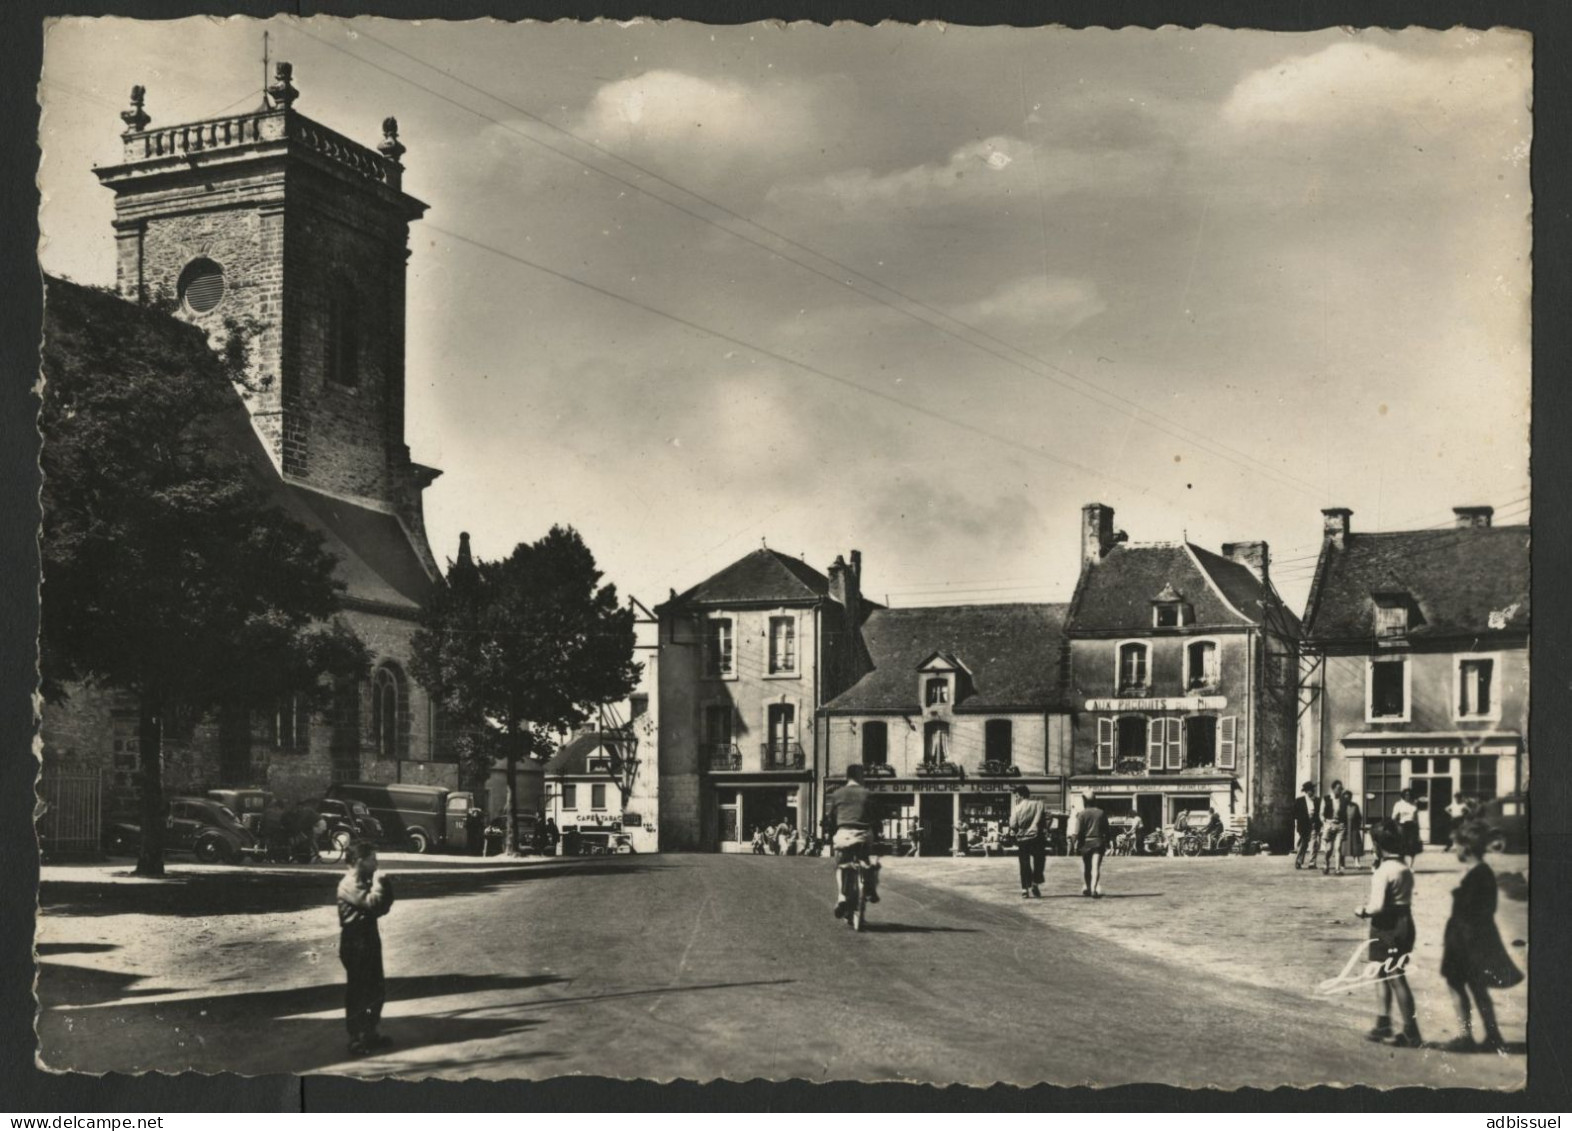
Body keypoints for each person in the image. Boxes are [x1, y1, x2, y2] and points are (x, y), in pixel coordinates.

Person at [1440, 819, 1523, 1053]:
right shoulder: (1481, 872)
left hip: (1467, 941)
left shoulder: (1477, 875)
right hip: (1475, 938)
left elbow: (1472, 912)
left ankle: (1466, 1036)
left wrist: (1458, 939)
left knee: (1457, 984)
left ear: (1465, 848)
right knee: (1477, 987)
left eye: (1455, 845)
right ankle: (1493, 1035)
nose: (1454, 849)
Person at [1356, 820, 1422, 1048]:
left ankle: (1411, 1032)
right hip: (1405, 923)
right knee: (1388, 972)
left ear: (1377, 845)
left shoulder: (1383, 872)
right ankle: (1384, 1024)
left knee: (1391, 976)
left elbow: (1376, 907)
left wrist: (1362, 911)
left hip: (1386, 925)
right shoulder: (1405, 868)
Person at [336, 840, 396, 1057]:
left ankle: (369, 1032)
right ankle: (356, 1038)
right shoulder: (349, 883)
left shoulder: (361, 879)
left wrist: (383, 886)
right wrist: (381, 884)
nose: (376, 862)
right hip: (356, 940)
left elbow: (381, 908)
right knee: (359, 990)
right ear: (360, 861)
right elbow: (373, 904)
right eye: (372, 858)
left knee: (376, 988)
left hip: (367, 938)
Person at [825, 763, 881, 917]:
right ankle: (870, 887)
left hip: (844, 834)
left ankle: (842, 897)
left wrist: (830, 833)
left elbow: (830, 819)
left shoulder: (837, 794)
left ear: (847, 777)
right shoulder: (868, 793)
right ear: (860, 777)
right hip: (863, 834)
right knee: (871, 859)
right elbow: (876, 818)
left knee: (840, 864)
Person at [1008, 784, 1048, 898]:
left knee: (1024, 863)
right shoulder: (1039, 804)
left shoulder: (1017, 808)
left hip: (1023, 839)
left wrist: (1017, 830)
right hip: (1037, 837)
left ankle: (1024, 889)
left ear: (1020, 795)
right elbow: (1043, 821)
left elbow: (1013, 824)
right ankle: (1035, 882)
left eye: (1016, 795)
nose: (1016, 798)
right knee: (1039, 860)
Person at [1068, 793, 1111, 897]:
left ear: (1084, 801)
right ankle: (1094, 889)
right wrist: (1108, 842)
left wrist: (1073, 845)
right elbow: (1107, 830)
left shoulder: (1081, 814)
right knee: (1096, 867)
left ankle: (1087, 887)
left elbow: (1076, 832)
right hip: (1098, 842)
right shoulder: (1101, 813)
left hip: (1085, 843)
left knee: (1087, 867)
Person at [1321, 782, 1352, 875]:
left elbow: (1346, 814)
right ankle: (1325, 863)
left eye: (1341, 789)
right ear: (1333, 788)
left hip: (1340, 825)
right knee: (1329, 849)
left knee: (1338, 847)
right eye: (1338, 788)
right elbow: (1321, 813)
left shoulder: (1343, 800)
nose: (1340, 791)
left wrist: (1345, 826)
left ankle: (1337, 869)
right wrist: (1325, 822)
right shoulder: (1326, 799)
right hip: (1329, 824)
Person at [1293, 781, 1321, 870]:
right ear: (1306, 791)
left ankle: (1312, 863)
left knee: (1314, 844)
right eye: (1309, 790)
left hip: (1313, 824)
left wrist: (1318, 825)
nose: (1312, 792)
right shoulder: (1299, 801)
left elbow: (1319, 814)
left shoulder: (1317, 800)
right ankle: (1299, 861)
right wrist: (1299, 824)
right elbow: (1294, 814)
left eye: (1312, 790)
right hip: (1304, 825)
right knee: (1303, 844)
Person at [1391, 788, 1422, 865]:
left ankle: (1411, 865)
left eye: (1409, 795)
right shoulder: (1398, 804)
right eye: (1406, 795)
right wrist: (1396, 824)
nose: (1407, 796)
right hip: (1403, 825)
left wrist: (1418, 828)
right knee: (1402, 844)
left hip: (1412, 825)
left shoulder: (1414, 804)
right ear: (1403, 795)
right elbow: (1393, 817)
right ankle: (1402, 863)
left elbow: (1416, 817)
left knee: (1412, 845)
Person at [1344, 797, 1366, 869]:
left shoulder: (1355, 806)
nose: (1347, 799)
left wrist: (1358, 825)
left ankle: (1357, 862)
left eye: (1348, 797)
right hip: (1344, 828)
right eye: (1345, 797)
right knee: (1343, 845)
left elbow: (1359, 817)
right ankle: (1341, 863)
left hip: (1354, 828)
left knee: (1356, 845)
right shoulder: (1341, 806)